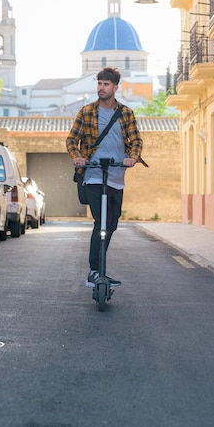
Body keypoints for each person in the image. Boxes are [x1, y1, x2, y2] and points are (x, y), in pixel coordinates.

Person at [66, 67, 146, 288]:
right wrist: (78, 157)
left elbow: (136, 140)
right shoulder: (86, 112)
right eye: (99, 84)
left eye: (106, 84)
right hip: (92, 174)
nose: (101, 88)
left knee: (111, 223)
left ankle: (101, 269)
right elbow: (72, 140)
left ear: (115, 88)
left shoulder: (126, 113)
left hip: (116, 176)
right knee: (100, 221)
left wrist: (132, 157)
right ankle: (94, 270)